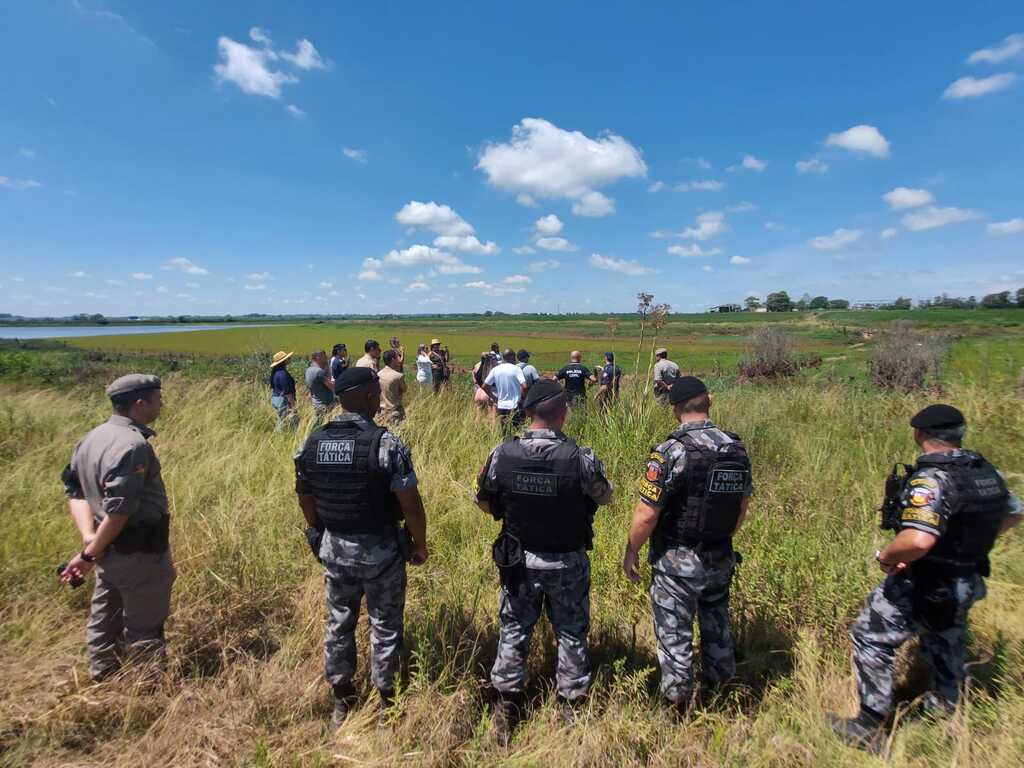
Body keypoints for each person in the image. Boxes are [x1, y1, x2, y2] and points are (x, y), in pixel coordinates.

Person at [828, 404, 1021, 752]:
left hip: (928, 579)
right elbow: (1013, 513)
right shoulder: (985, 471)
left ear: (919, 434)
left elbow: (918, 539)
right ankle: (946, 714)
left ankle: (869, 725)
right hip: (967, 579)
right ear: (959, 433)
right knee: (945, 638)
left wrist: (887, 557)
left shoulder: (933, 478)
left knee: (870, 635)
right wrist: (969, 545)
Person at [474, 380, 614, 743]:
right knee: (570, 630)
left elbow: (485, 501)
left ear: (528, 413)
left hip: (518, 560)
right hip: (567, 559)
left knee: (515, 628)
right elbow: (605, 497)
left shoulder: (502, 453)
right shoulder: (581, 457)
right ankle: (571, 706)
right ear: (562, 414)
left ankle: (506, 705)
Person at [294, 367, 429, 729]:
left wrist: (319, 531)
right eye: (374, 394)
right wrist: (420, 544)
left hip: (334, 549)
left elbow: (305, 496)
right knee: (385, 625)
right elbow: (411, 504)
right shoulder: (386, 444)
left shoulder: (313, 442)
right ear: (371, 398)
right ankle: (387, 704)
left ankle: (343, 698)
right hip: (380, 551)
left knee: (339, 622)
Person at [623, 376, 753, 715]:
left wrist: (632, 549)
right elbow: (741, 508)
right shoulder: (735, 448)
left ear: (676, 409)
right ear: (708, 402)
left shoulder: (670, 452)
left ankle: (678, 706)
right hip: (720, 555)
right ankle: (722, 694)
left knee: (674, 633)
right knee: (717, 625)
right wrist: (721, 538)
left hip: (676, 563)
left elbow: (647, 514)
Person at [59, 374, 176, 681]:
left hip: (107, 548)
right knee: (145, 623)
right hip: (137, 550)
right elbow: (120, 511)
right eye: (157, 399)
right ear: (140, 404)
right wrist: (87, 556)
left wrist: (90, 541)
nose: (161, 404)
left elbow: (75, 492)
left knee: (104, 616)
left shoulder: (91, 437)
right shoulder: (133, 446)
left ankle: (102, 674)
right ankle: (146, 688)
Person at [484, 349, 528, 431]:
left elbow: (485, 386)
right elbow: (524, 386)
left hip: (501, 406)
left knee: (504, 432)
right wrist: (522, 399)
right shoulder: (516, 369)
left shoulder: (496, 369)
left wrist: (494, 398)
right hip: (516, 406)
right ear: (511, 357)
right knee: (518, 432)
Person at [270, 350, 299, 431]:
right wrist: (293, 405)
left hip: (276, 398)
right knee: (290, 420)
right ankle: (286, 436)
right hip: (282, 399)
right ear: (283, 361)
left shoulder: (275, 372)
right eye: (288, 358)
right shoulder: (283, 374)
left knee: (281, 420)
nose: (289, 359)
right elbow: (287, 392)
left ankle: (279, 436)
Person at [378, 349, 407, 425]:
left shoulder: (378, 374)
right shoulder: (398, 376)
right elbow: (404, 389)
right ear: (393, 360)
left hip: (382, 412)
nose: (399, 360)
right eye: (397, 357)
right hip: (395, 412)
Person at [305, 350, 336, 416]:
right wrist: (328, 368)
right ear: (318, 357)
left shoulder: (308, 370)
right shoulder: (319, 372)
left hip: (316, 403)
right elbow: (332, 386)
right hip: (325, 405)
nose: (326, 358)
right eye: (324, 356)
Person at [473, 352, 496, 420]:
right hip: (486, 393)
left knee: (478, 414)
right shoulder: (490, 369)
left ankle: (476, 429)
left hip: (478, 392)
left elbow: (475, 380)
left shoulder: (477, 366)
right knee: (490, 414)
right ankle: (490, 430)